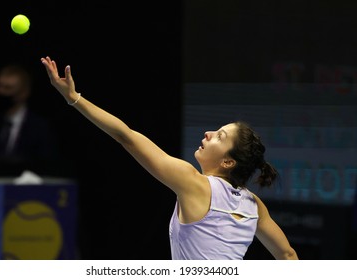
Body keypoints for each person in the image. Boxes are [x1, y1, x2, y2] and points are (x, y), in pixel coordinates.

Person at [40, 56, 298, 260]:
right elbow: (287, 255)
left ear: (228, 162)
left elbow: (126, 137)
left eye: (219, 136)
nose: (208, 134)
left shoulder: (192, 182)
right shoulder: (253, 205)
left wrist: (74, 99)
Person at [0, 62, 58, 177]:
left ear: (24, 92)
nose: (1, 92)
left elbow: (48, 165)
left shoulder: (40, 127)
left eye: (8, 88)